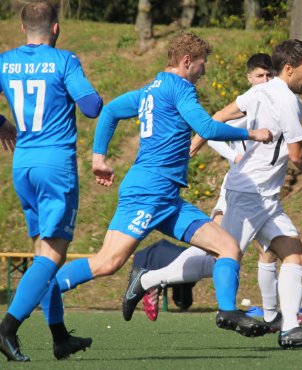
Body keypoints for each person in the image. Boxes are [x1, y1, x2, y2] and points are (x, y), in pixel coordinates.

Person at [50, 32, 273, 338]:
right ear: (186, 62)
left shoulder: (150, 89)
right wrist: (253, 134)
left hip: (167, 197)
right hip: (148, 192)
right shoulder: (181, 88)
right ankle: (44, 289)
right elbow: (206, 127)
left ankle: (227, 312)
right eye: (201, 64)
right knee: (107, 262)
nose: (204, 71)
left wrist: (99, 158)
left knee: (228, 248)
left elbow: (112, 110)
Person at [137, 53, 302, 327]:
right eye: (259, 76)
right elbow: (214, 127)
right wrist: (229, 154)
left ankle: (278, 318)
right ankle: (149, 278)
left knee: (278, 252)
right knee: (220, 255)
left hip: (262, 191)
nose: (264, 80)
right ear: (249, 78)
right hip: (241, 188)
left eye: (268, 76)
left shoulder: (274, 101)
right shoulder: (251, 101)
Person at [0, 1, 103, 362]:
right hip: (55, 165)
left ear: (22, 27)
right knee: (53, 256)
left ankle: (59, 336)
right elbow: (91, 106)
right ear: (55, 28)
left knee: (42, 254)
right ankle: (7, 329)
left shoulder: (5, 60)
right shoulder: (64, 61)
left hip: (22, 165)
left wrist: (2, 125)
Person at [211, 39, 302, 348]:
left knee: (295, 253)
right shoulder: (288, 100)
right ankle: (149, 279)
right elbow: (297, 155)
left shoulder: (260, 91)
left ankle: (289, 329)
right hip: (248, 194)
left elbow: (218, 117)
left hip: (266, 198)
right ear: (289, 69)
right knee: (217, 256)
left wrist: (195, 143)